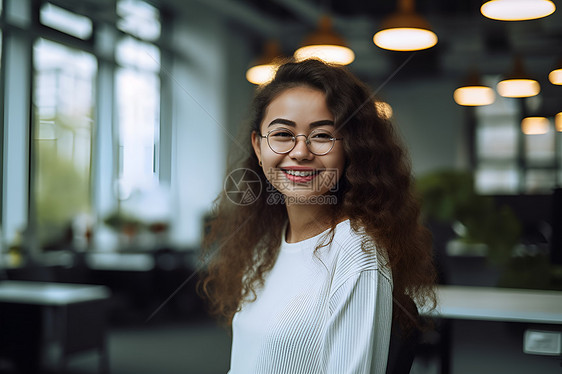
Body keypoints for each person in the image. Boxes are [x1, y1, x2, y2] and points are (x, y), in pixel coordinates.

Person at [201, 59, 437, 374]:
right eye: (283, 134)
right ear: (258, 147)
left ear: (350, 149)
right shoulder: (267, 242)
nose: (300, 152)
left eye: (322, 136)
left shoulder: (356, 252)